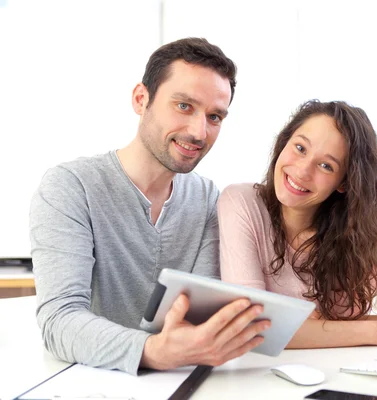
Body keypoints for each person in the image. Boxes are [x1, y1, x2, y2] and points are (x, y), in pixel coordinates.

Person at [29, 37, 270, 375]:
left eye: (214, 117)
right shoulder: (70, 187)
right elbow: (59, 321)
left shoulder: (206, 199)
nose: (199, 132)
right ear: (141, 99)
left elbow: (199, 315)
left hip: (180, 382)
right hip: (89, 383)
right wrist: (153, 351)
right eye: (184, 106)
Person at [218, 100, 377, 348]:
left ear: (344, 182)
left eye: (326, 166)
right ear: (283, 144)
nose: (302, 171)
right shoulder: (240, 201)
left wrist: (312, 328)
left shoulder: (367, 228)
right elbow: (249, 326)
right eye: (300, 148)